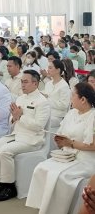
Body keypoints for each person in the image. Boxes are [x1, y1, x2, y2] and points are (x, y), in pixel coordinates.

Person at [26, 82, 95, 214]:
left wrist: (71, 143)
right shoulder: (71, 113)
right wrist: (60, 140)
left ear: (83, 99)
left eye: (72, 96)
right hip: (67, 154)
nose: (70, 99)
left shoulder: (93, 116)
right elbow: (62, 132)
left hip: (86, 158)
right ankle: (44, 207)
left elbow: (93, 145)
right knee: (41, 168)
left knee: (60, 177)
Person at [0, 70, 50, 202]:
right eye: (21, 81)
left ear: (36, 83)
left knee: (4, 151)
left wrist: (20, 116)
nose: (22, 84)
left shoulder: (42, 102)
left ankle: (10, 187)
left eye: (25, 82)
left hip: (32, 139)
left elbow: (38, 126)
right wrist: (14, 118)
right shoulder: (20, 98)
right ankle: (1, 183)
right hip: (17, 135)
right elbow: (12, 119)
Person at [43, 59, 71, 127]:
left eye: (50, 68)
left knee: (41, 122)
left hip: (57, 117)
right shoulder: (48, 84)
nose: (48, 70)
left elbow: (64, 105)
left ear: (58, 70)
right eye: (48, 68)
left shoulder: (64, 86)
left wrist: (47, 100)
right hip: (46, 112)